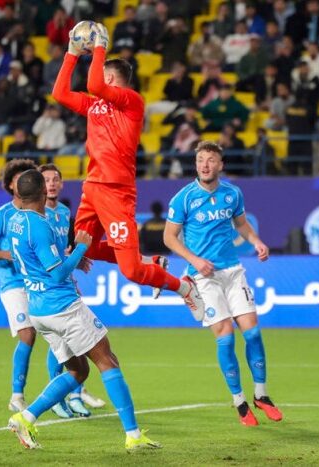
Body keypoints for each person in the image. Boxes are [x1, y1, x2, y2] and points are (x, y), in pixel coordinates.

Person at [51, 22, 204, 316]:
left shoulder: (132, 102)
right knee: (84, 247)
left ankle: (184, 287)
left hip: (116, 190)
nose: (96, 76)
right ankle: (151, 261)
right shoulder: (94, 105)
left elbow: (95, 85)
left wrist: (99, 47)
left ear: (110, 77)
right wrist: (71, 53)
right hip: (92, 186)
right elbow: (59, 93)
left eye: (101, 71)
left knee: (132, 271)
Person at [6, 169, 161, 451]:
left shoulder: (14, 220)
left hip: (38, 309)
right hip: (62, 306)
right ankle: (134, 435)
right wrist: (80, 249)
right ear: (42, 192)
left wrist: (70, 258)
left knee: (78, 371)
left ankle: (25, 417)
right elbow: (56, 274)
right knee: (107, 360)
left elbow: (40, 261)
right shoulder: (38, 225)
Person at [163, 141, 283, 427]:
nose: (205, 165)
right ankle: (239, 401)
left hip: (233, 271)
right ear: (196, 165)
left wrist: (257, 241)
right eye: (200, 160)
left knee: (253, 333)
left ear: (220, 165)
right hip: (203, 277)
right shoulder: (183, 198)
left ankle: (261, 395)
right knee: (226, 337)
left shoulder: (232, 193)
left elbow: (241, 224)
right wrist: (195, 260)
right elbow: (169, 237)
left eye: (210, 160)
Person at [39, 163, 105, 418]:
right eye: (46, 180)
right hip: (46, 284)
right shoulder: (36, 214)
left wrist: (77, 260)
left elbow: (65, 249)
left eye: (55, 179)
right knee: (60, 339)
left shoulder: (65, 213)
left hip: (64, 279)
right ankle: (58, 396)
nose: (52, 184)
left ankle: (74, 395)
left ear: (62, 184)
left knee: (73, 338)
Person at [0, 159, 38, 412]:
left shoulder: (38, 213)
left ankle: (70, 392)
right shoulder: (2, 215)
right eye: (18, 178)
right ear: (11, 185)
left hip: (38, 282)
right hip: (14, 284)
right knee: (28, 334)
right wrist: (7, 254)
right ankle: (17, 395)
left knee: (59, 333)